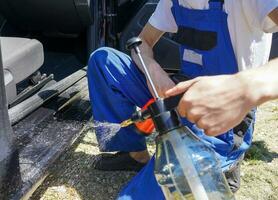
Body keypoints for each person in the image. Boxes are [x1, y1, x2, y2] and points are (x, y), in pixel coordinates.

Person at [87, 0, 278, 199]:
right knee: (104, 61)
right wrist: (152, 70)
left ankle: (224, 162)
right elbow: (142, 42)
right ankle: (134, 154)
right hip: (179, 93)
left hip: (220, 117)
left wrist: (245, 88)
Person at [166, 58, 278, 136]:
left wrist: (243, 88)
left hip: (230, 116)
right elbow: (147, 40)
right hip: (191, 107)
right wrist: (152, 66)